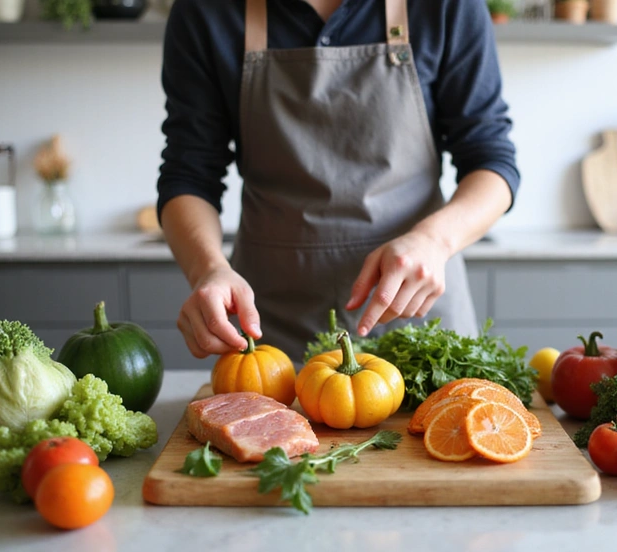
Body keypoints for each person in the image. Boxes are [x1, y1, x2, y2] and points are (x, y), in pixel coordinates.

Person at [157, 0, 519, 364]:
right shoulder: (204, 11)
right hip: (268, 338)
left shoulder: (446, 6)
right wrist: (209, 269)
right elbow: (189, 175)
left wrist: (434, 241)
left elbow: (492, 163)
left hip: (420, 328)